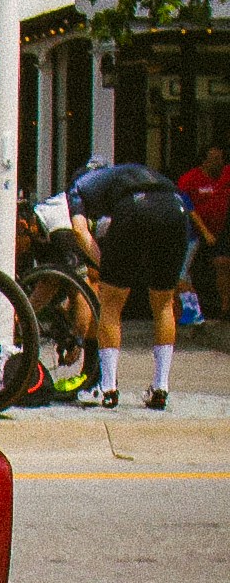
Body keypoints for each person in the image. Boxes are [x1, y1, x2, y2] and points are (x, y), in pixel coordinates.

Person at [68, 153, 195, 408]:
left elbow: (80, 232)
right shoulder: (120, 174)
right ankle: (160, 387)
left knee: (111, 305)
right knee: (162, 304)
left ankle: (108, 390)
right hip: (175, 206)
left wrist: (107, 265)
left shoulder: (78, 187)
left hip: (134, 207)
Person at [180, 140, 229, 319]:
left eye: (221, 159)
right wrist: (205, 232)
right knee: (182, 272)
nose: (218, 163)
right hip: (193, 232)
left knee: (222, 263)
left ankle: (225, 308)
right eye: (214, 159)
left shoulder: (226, 174)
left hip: (220, 229)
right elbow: (187, 206)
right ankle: (191, 313)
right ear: (204, 161)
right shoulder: (190, 178)